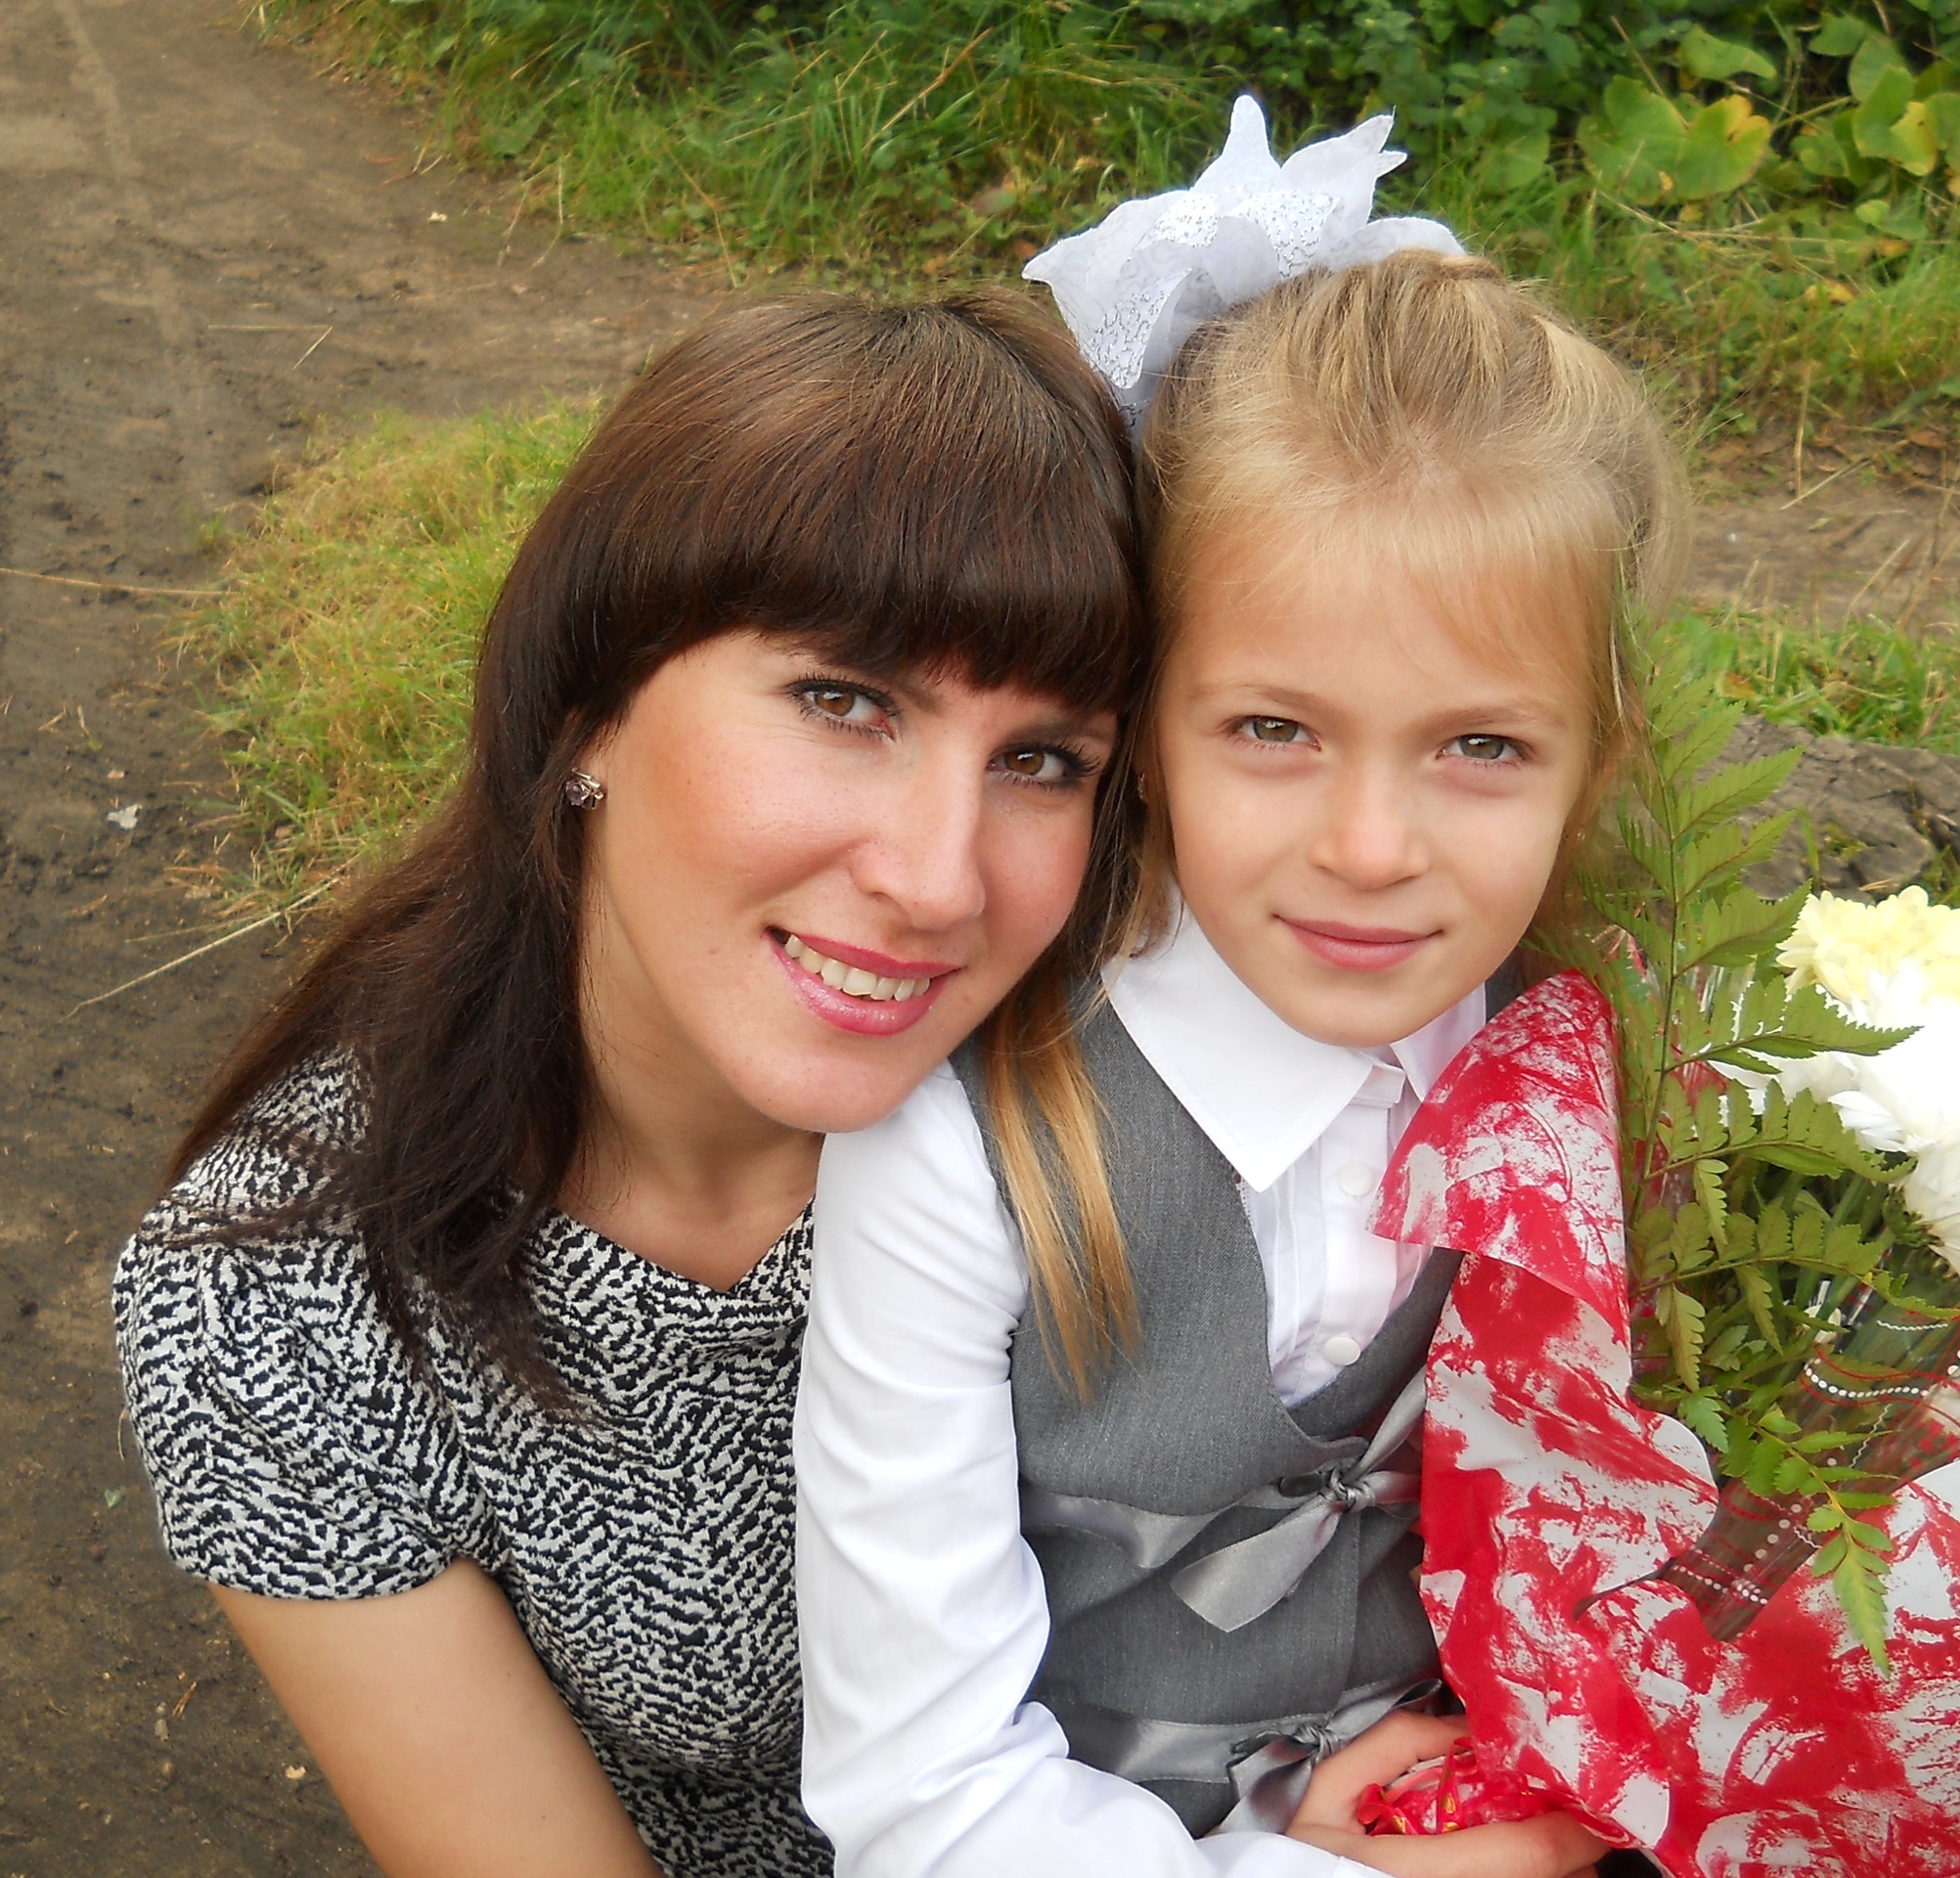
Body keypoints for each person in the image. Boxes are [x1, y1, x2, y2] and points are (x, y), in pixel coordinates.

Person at [111, 289, 1150, 1878]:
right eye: (845, 702)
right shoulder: (283, 1298)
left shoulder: (1149, 1117)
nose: (940, 880)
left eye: (1042, 761)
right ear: (587, 706)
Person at [796, 102, 1685, 1877]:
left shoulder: (1612, 1069)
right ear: (1145, 730)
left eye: (1482, 746)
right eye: (1275, 729)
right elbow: (922, 1795)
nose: (1372, 848)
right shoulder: (969, 1147)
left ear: (1596, 759)